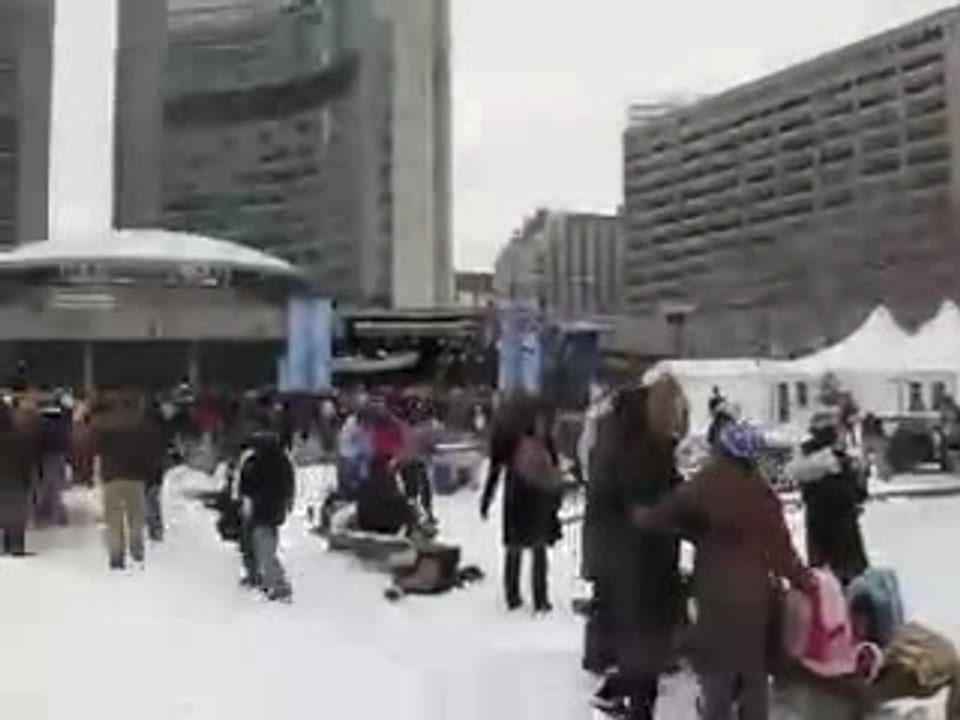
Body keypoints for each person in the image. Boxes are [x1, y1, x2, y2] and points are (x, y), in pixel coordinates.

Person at [633, 420, 813, 720]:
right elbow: (781, 551)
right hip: (754, 595)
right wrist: (804, 579)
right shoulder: (761, 494)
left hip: (714, 592)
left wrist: (640, 516)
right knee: (753, 671)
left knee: (717, 670)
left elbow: (665, 512)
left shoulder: (705, 483)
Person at [588, 381, 688, 719]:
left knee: (640, 640)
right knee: (646, 641)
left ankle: (620, 695)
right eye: (672, 408)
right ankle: (634, 707)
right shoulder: (643, 448)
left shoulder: (618, 438)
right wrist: (681, 512)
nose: (675, 415)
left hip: (624, 555)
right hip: (641, 557)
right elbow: (647, 503)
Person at [481, 395, 561, 614]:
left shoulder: (514, 438)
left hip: (522, 494)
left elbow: (495, 469)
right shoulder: (535, 438)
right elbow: (554, 470)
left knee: (523, 548)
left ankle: (521, 597)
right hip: (530, 496)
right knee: (532, 548)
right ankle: (533, 598)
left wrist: (486, 500)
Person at [786, 415, 869, 585]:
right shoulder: (843, 462)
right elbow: (858, 494)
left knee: (824, 588)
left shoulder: (805, 465)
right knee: (849, 588)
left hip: (818, 536)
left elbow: (805, 491)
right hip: (845, 540)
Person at [93, 391, 166, 570]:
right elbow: (151, 449)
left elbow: (95, 445)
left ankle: (116, 555)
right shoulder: (141, 423)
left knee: (113, 518)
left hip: (111, 476)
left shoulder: (103, 423)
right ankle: (136, 550)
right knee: (136, 517)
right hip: (135, 476)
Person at [236, 430, 296, 602]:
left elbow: (244, 485)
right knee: (253, 546)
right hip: (267, 510)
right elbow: (288, 486)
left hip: (264, 511)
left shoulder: (257, 461)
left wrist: (243, 500)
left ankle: (279, 585)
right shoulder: (279, 461)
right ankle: (256, 576)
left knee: (262, 548)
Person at [0, 400, 36, 556]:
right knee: (15, 515)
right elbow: (27, 462)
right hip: (16, 481)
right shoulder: (20, 438)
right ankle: (16, 545)